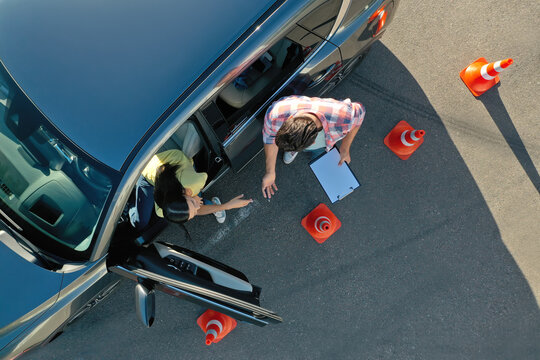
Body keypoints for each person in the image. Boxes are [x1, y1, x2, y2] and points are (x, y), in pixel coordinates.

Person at [261, 96, 365, 199]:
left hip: (326, 136)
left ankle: (308, 151)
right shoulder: (275, 114)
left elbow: (360, 112)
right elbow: (269, 139)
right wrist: (270, 171)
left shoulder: (343, 116)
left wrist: (344, 149)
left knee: (320, 156)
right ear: (289, 121)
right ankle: (296, 148)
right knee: (320, 159)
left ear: (313, 142)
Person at [129, 149, 252, 229]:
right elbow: (196, 209)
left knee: (139, 223)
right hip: (153, 172)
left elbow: (197, 208)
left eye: (194, 203)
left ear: (187, 192)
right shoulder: (163, 210)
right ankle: (131, 200)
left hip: (152, 173)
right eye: (194, 210)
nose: (198, 206)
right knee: (140, 222)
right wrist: (226, 206)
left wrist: (228, 205)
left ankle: (131, 203)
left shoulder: (195, 182)